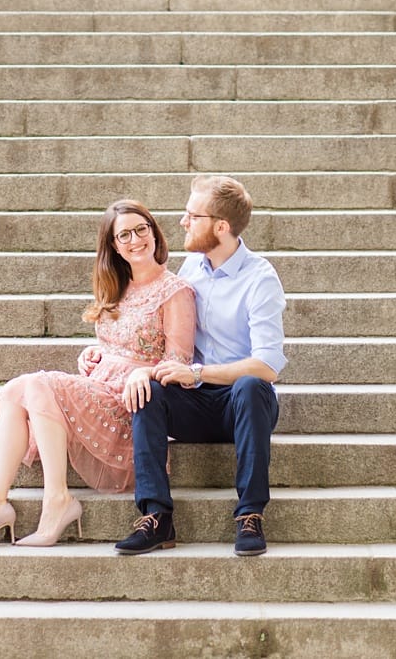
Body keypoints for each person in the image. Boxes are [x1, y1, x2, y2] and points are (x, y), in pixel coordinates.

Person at [0, 200, 196, 548]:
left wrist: (140, 371)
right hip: (100, 385)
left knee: (38, 384)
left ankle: (58, 501)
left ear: (154, 234)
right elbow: (114, 345)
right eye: (123, 234)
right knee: (13, 391)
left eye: (142, 229)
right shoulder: (115, 286)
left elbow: (178, 362)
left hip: (132, 401)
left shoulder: (175, 290)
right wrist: (95, 354)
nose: (135, 239)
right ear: (113, 245)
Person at [114, 174, 287, 557]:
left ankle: (250, 514)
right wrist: (136, 366)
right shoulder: (190, 268)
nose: (182, 222)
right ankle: (157, 517)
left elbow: (268, 366)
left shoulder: (260, 279)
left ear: (220, 227)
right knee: (149, 393)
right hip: (193, 401)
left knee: (250, 386)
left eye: (192, 215)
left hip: (242, 406)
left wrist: (197, 373)